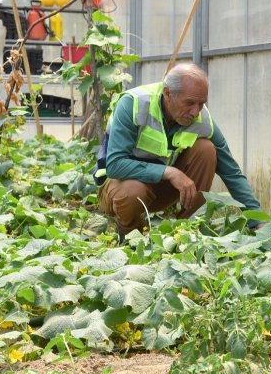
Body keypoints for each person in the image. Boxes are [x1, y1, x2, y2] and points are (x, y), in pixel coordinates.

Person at [95, 62, 262, 240]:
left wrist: (258, 220)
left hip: (159, 191)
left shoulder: (201, 119)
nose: (196, 111)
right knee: (132, 190)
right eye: (189, 103)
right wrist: (169, 172)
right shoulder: (133, 104)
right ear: (168, 94)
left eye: (201, 103)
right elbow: (115, 165)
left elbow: (232, 172)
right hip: (118, 189)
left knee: (206, 150)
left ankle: (186, 234)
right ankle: (131, 238)